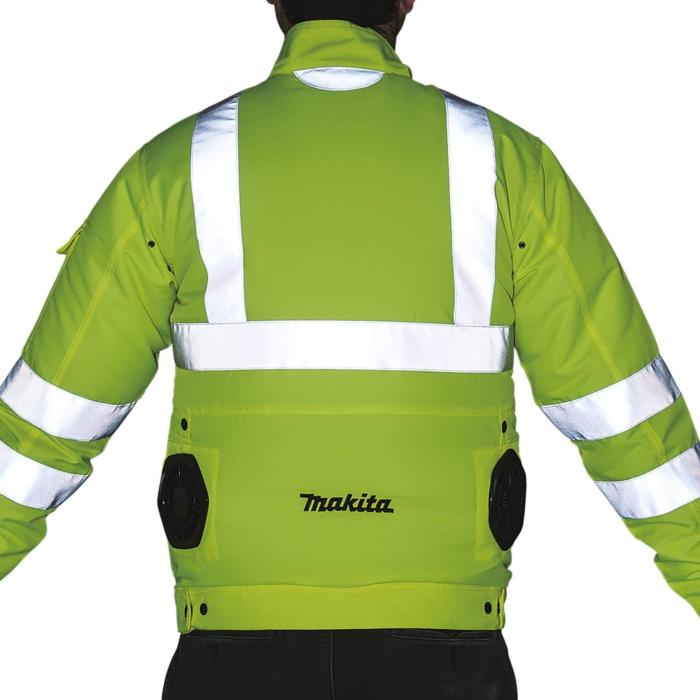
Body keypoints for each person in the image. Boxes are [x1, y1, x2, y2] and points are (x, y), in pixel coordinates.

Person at [1, 0, 698, 697]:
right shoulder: (508, 168)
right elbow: (628, 417)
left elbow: (43, 425)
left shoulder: (172, 171)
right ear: (406, 0)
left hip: (235, 647)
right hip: (445, 651)